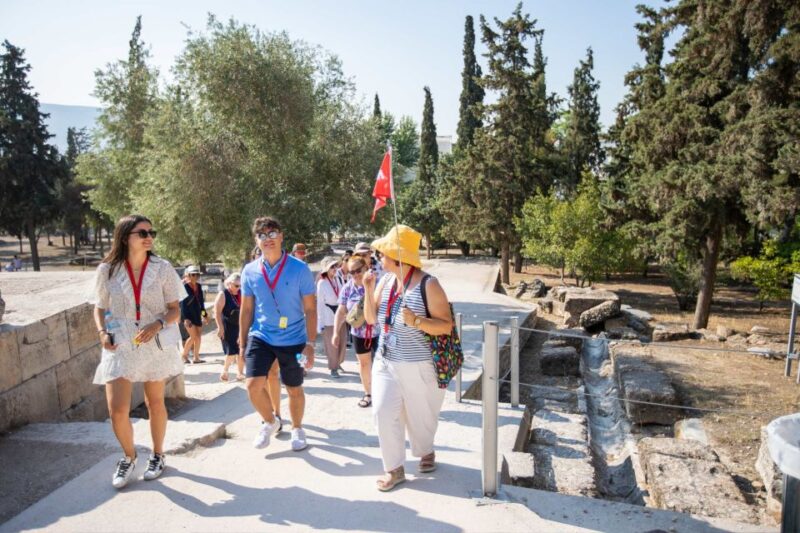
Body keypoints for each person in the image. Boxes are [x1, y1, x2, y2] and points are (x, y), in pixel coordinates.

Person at [91, 214, 186, 488]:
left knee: (155, 402)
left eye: (150, 232)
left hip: (153, 339)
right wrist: (101, 332)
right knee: (117, 410)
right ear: (124, 237)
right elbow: (99, 307)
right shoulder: (106, 270)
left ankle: (158, 454)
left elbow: (175, 309)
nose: (148, 237)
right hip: (120, 340)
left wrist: (157, 324)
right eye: (142, 232)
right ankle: (129, 456)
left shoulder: (163, 268)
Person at [363, 224, 453, 491]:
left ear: (397, 256)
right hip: (385, 361)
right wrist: (368, 289)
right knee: (382, 412)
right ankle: (394, 468)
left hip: (419, 365)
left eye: (384, 253)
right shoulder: (385, 281)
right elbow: (370, 319)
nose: (379, 257)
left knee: (421, 417)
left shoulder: (429, 284)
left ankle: (425, 450)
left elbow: (445, 325)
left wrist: (416, 321)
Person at [239, 216, 317, 451]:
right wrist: (242, 344)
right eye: (262, 235)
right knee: (252, 385)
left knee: (294, 388)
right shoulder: (250, 271)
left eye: (272, 233)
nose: (268, 239)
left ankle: (297, 428)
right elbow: (246, 309)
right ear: (256, 240)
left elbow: (311, 310)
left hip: (294, 340)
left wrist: (310, 344)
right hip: (261, 336)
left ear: (281, 236)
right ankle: (271, 421)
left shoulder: (300, 269)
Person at [333, 255, 379, 408]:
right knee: (364, 364)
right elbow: (341, 310)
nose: (356, 275)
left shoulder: (377, 282)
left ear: (366, 268)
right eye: (352, 272)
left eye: (358, 270)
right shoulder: (348, 288)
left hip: (379, 332)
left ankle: (385, 393)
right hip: (359, 333)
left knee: (383, 364)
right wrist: (335, 332)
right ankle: (369, 393)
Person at [317, 259, 346, 378]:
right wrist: (320, 322)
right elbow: (319, 303)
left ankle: (338, 363)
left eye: (335, 266)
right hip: (328, 316)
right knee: (331, 344)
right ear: (326, 268)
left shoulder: (338, 279)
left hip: (340, 314)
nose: (335, 268)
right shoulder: (322, 283)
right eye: (332, 266)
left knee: (342, 341)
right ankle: (333, 368)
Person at [215, 272, 245, 382]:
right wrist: (220, 327)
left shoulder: (241, 293)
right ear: (229, 283)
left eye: (240, 285)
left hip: (239, 325)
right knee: (231, 351)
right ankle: (225, 371)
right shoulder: (223, 294)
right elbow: (217, 312)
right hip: (227, 326)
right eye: (236, 285)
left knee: (240, 350)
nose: (239, 288)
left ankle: (240, 373)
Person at [180, 265, 207, 364]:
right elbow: (183, 305)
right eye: (193, 275)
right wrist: (186, 318)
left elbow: (201, 303)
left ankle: (196, 358)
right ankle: (184, 356)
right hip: (187, 316)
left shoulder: (199, 287)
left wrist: (204, 315)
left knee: (198, 337)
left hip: (197, 314)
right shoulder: (184, 287)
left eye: (197, 275)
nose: (195, 277)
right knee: (193, 336)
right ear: (189, 275)